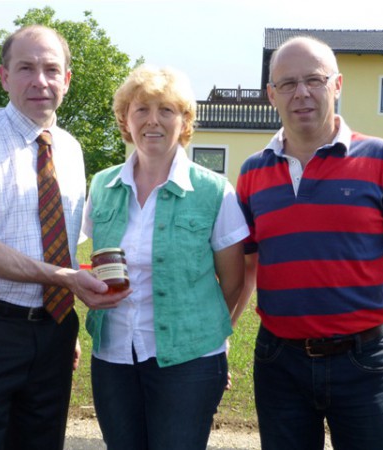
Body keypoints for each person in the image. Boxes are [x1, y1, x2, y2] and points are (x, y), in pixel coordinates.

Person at [236, 35, 383, 450]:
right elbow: (244, 268)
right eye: (288, 83)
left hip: (364, 361)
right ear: (271, 95)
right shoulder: (252, 173)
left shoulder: (382, 159)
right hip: (279, 363)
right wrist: (217, 337)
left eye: (314, 79)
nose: (302, 93)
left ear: (337, 85)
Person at [0, 25, 129, 450]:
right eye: (26, 68)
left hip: (52, 333)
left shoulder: (71, 150)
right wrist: (64, 280)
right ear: (5, 77)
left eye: (50, 69)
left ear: (67, 80)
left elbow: (61, 240)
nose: (39, 81)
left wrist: (61, 320)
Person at [81, 65, 250, 450]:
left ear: (184, 121)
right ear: (126, 119)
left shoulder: (214, 191)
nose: (152, 121)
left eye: (166, 110)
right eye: (141, 110)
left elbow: (234, 282)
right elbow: (77, 250)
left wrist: (203, 334)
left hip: (188, 360)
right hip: (113, 355)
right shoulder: (103, 186)